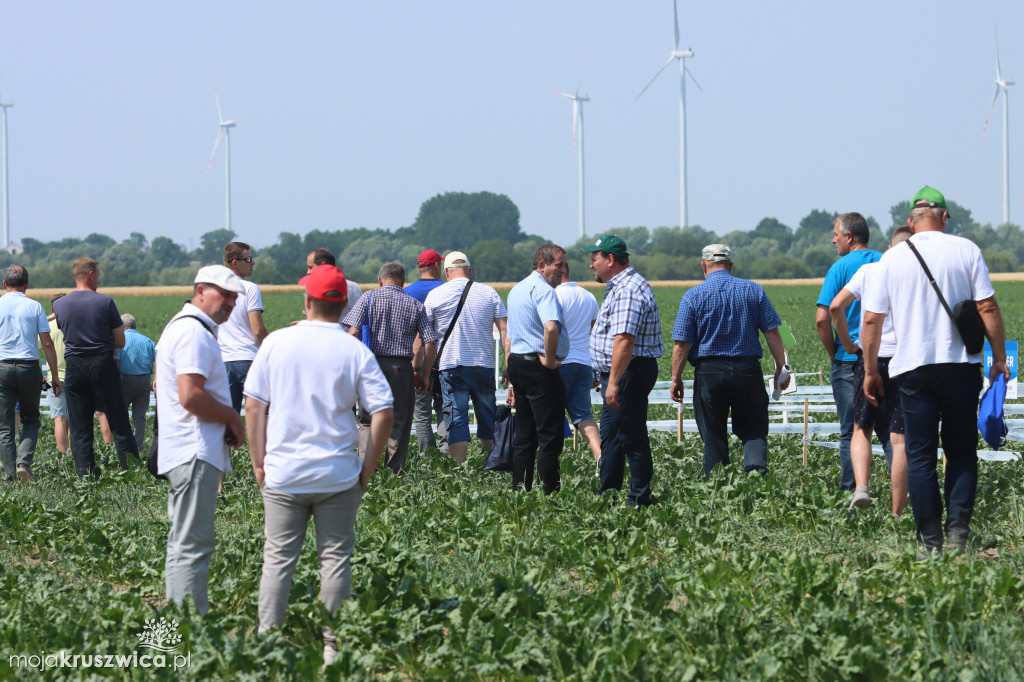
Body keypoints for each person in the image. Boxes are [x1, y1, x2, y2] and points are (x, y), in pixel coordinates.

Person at [245, 264, 393, 667]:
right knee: (335, 559)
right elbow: (382, 412)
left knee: (277, 558)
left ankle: (268, 642)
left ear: (307, 301)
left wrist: (259, 462)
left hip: (283, 473)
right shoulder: (354, 349)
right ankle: (333, 645)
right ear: (344, 303)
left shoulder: (276, 343)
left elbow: (255, 405)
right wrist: (368, 467)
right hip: (338, 474)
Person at [862, 186, 1009, 556]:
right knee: (960, 451)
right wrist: (999, 359)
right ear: (945, 217)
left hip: (912, 370)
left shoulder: (892, 259)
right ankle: (958, 531)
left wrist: (869, 371)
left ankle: (930, 542)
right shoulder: (966, 250)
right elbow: (988, 308)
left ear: (910, 223)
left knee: (921, 454)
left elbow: (871, 320)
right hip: (961, 367)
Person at [156, 265, 246, 614]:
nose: (230, 303)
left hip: (187, 449)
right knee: (193, 543)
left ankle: (182, 617)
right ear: (201, 291)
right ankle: (189, 623)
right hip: (193, 451)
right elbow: (191, 396)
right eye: (225, 295)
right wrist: (231, 416)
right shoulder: (193, 332)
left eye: (235, 298)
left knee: (185, 542)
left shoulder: (190, 328)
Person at [670, 245, 789, 477]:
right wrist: (780, 367)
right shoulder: (754, 291)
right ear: (731, 266)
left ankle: (718, 484)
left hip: (708, 373)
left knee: (713, 432)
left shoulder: (692, 296)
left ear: (703, 266)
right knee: (754, 430)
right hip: (747, 370)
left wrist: (676, 378)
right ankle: (756, 477)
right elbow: (774, 332)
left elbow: (681, 344)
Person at [829, 226, 911, 514]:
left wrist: (849, 344)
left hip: (870, 358)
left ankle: (861, 488)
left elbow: (835, 306)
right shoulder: (916, 276)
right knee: (899, 436)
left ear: (889, 248)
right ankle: (900, 503)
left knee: (861, 429)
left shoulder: (870, 271)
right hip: (905, 360)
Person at [584, 235, 662, 507]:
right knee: (612, 435)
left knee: (630, 434)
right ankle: (609, 491)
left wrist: (614, 382)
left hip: (629, 371)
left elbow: (625, 341)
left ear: (610, 260)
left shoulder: (628, 289)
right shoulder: (619, 286)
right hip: (620, 372)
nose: (592, 266)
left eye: (595, 259)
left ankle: (639, 497)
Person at [342, 262, 437, 474]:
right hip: (402, 368)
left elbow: (353, 332)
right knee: (400, 421)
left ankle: (368, 469)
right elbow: (429, 341)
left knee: (367, 420)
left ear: (380, 280)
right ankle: (395, 472)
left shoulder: (368, 297)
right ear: (403, 282)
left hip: (372, 366)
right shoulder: (415, 304)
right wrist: (424, 373)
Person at [814, 212, 883, 495]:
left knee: (851, 430)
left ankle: (851, 491)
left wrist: (835, 352)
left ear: (849, 237)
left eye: (836, 235)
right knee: (893, 432)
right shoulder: (885, 261)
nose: (833, 240)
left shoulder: (840, 268)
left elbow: (822, 318)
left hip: (848, 359)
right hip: (885, 356)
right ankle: (901, 494)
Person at [53, 257, 139, 478]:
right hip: (102, 363)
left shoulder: (60, 305)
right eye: (98, 276)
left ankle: (85, 475)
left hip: (74, 365)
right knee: (118, 419)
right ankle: (130, 470)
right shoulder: (105, 302)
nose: (98, 280)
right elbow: (120, 342)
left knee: (80, 425)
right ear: (91, 275)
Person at [424, 251, 508, 465]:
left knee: (456, 418)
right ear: (469, 271)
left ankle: (460, 469)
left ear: (446, 272)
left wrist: (423, 371)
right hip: (483, 365)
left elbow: (426, 338)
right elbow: (506, 332)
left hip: (450, 365)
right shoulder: (489, 293)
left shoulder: (435, 295)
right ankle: (492, 462)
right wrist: (509, 365)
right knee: (487, 415)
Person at [505, 244, 569, 494]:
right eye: (559, 265)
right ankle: (550, 494)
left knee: (525, 436)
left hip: (518, 363)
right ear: (542, 265)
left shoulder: (517, 290)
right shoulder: (544, 291)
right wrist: (551, 360)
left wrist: (509, 370)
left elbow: (509, 337)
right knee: (550, 437)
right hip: (539, 368)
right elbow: (551, 327)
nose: (563, 271)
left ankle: (520, 490)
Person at [0, 265, 62, 482]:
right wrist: (53, 376)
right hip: (28, 367)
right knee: (31, 419)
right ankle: (23, 463)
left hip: (2, 368)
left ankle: (9, 475)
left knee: (5, 425)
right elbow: (46, 343)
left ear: (5, 284)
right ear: (26, 285)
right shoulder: (34, 307)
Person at [555, 265, 601, 464]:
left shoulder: (552, 294)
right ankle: (600, 455)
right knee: (583, 413)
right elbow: (597, 333)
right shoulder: (588, 296)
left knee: (551, 411)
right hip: (584, 363)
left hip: (559, 362)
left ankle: (551, 460)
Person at [405, 249, 447, 456]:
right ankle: (446, 452)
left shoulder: (408, 292)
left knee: (421, 413)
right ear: (437, 266)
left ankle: (427, 457)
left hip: (416, 357)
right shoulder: (445, 290)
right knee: (443, 406)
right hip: (443, 355)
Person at [219, 241, 269, 412]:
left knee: (228, 419)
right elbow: (257, 330)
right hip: (248, 360)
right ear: (235, 263)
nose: (252, 263)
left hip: (223, 362)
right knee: (260, 414)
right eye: (248, 259)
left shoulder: (213, 290)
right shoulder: (249, 288)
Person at [115, 313, 156, 451]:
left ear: (123, 326)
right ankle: (138, 447)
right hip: (144, 381)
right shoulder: (147, 341)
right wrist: (156, 377)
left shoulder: (121, 340)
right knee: (139, 416)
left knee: (121, 414)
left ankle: (124, 446)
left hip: (125, 379)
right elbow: (158, 358)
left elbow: (117, 360)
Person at [305, 248, 362, 320]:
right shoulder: (355, 287)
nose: (308, 272)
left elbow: (324, 321)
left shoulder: (319, 289)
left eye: (310, 267)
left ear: (323, 265)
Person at [44, 293, 69, 455]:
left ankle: (62, 454)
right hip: (76, 375)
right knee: (74, 419)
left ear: (53, 308)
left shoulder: (48, 327)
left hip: (54, 378)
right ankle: (76, 454)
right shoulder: (75, 324)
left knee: (59, 418)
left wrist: (46, 319)